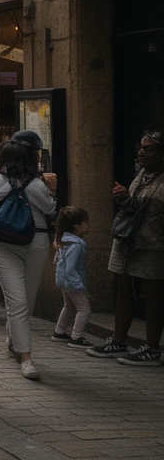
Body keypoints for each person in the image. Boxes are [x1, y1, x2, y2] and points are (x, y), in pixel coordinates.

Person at [0, 138, 56, 380]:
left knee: (24, 300)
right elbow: (50, 208)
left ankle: (13, 340)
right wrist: (50, 189)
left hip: (7, 243)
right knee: (20, 302)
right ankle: (25, 357)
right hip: (31, 242)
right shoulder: (37, 184)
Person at [93, 131, 164, 365]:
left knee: (153, 296)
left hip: (152, 243)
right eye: (140, 148)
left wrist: (129, 200)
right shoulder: (142, 174)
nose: (142, 152)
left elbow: (152, 210)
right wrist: (123, 198)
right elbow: (134, 208)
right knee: (123, 290)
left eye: (149, 148)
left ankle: (153, 349)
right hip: (126, 240)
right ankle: (119, 341)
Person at [52, 207, 93, 349]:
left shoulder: (64, 241)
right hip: (72, 281)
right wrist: (80, 286)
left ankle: (59, 331)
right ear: (77, 226)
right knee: (84, 309)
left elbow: (57, 261)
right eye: (86, 223)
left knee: (69, 307)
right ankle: (77, 337)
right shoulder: (75, 245)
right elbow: (70, 267)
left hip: (64, 280)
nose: (88, 226)